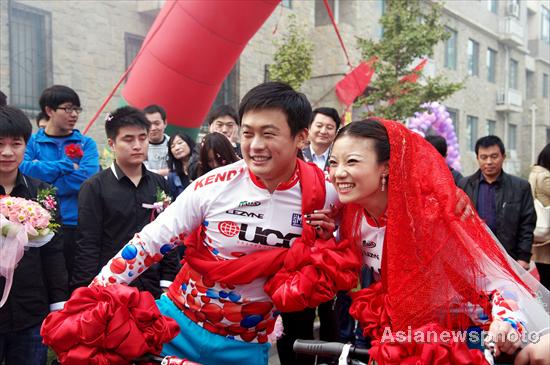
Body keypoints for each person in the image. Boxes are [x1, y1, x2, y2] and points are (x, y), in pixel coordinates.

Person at [87, 82, 361, 365]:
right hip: (175, 329)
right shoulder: (213, 185)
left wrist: (327, 240)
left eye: (268, 134)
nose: (255, 146)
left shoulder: (327, 192)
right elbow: (149, 243)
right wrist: (89, 300)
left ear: (301, 137)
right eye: (247, 133)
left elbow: (359, 246)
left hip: (246, 344)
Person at [318, 119, 549, 364]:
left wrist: (506, 321)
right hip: (405, 338)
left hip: (467, 339)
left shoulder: (432, 217)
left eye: (352, 161)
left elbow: (496, 282)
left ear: (386, 167)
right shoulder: (350, 212)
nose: (338, 172)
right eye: (333, 162)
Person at [71, 107, 179, 298]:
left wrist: (167, 280)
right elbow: (88, 244)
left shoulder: (159, 183)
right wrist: (85, 292)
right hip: (111, 287)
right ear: (112, 144)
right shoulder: (94, 187)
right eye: (128, 139)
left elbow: (169, 234)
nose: (137, 145)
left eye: (142, 138)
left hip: (153, 285)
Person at [0, 106, 68, 365]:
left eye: (16, 143)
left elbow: (54, 253)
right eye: (0, 144)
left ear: (26, 146)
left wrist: (58, 303)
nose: (7, 152)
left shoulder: (43, 194)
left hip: (31, 309)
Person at [19, 85, 100, 282]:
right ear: (49, 110)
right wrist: (66, 165)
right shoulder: (31, 142)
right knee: (42, 280)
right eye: (67, 109)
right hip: (38, 225)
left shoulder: (86, 143)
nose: (74, 115)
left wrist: (43, 172)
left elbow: (87, 179)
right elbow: (23, 171)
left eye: (77, 110)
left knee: (77, 279)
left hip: (75, 223)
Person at [458, 136, 536, 270]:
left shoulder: (520, 187)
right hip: (474, 258)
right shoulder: (464, 185)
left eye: (494, 156)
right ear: (477, 158)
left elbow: (527, 224)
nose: (489, 162)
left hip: (509, 259)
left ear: (503, 157)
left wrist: (523, 258)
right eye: (484, 157)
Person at [189, 105, 241, 180]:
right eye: (219, 125)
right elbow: (192, 172)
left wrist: (229, 148)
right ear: (210, 127)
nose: (224, 130)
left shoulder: (243, 149)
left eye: (230, 125)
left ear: (237, 127)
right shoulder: (200, 148)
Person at [528, 143, 550, 290]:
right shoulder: (545, 177)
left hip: (541, 234)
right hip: (547, 236)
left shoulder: (535, 173)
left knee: (545, 278)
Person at [301, 107, 340, 171]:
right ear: (309, 128)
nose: (323, 131)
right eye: (319, 126)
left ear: (336, 132)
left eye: (329, 127)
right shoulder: (298, 155)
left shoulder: (339, 158)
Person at [167, 132, 196, 199]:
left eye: (180, 143)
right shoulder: (172, 176)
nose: (177, 148)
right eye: (172, 146)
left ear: (189, 143)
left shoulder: (202, 166)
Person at [144, 104, 170, 177]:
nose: (153, 128)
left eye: (157, 123)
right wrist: (163, 172)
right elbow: (140, 172)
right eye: (148, 124)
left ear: (165, 123)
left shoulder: (173, 144)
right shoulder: (139, 146)